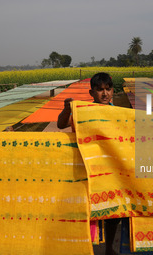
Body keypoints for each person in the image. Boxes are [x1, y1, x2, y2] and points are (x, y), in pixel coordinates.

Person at [57, 72, 119, 255]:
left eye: (108, 89)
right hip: (88, 168)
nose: (105, 94)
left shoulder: (119, 112)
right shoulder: (83, 112)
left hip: (111, 170)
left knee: (113, 214)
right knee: (86, 210)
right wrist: (67, 108)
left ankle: (108, 248)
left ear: (113, 90)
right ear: (92, 93)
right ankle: (85, 248)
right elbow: (61, 125)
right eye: (100, 90)